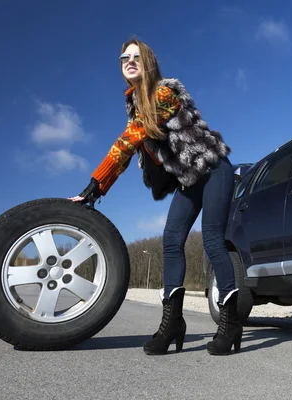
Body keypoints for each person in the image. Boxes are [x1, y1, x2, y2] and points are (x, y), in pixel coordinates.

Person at [69, 38, 242, 356]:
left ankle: (230, 324)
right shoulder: (135, 103)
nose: (129, 60)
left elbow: (130, 140)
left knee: (213, 241)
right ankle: (173, 322)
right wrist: (97, 189)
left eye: (137, 56)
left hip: (214, 169)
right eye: (124, 57)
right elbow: (138, 143)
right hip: (190, 179)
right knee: (171, 240)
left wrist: (95, 186)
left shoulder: (163, 92)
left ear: (148, 63)